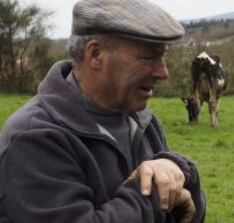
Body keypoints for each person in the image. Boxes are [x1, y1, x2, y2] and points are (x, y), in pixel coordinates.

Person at [0, 0, 206, 222]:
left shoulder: (145, 122)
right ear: (96, 54)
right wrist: (155, 189)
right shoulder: (34, 138)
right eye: (148, 57)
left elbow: (189, 214)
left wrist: (182, 172)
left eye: (163, 57)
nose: (163, 72)